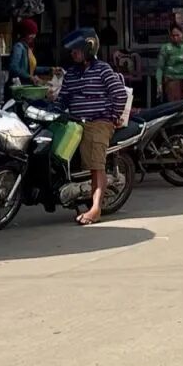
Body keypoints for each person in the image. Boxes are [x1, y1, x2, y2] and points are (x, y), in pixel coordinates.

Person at [57, 29, 130, 225]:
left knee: (96, 165)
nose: (73, 54)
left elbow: (119, 94)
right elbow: (63, 99)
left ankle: (96, 208)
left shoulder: (102, 69)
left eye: (76, 51)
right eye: (71, 51)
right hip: (74, 122)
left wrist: (112, 117)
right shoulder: (71, 73)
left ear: (88, 50)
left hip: (98, 122)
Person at [156, 20, 183, 102]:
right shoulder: (166, 48)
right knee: (174, 105)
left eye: (177, 35)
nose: (175, 38)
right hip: (171, 80)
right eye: (173, 35)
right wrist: (159, 84)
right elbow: (160, 68)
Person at [8, 18, 39, 86]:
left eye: (34, 33)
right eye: (31, 33)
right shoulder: (19, 47)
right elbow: (13, 67)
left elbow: (32, 68)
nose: (34, 36)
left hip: (26, 85)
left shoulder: (27, 48)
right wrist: (30, 77)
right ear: (25, 34)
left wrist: (50, 69)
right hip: (19, 86)